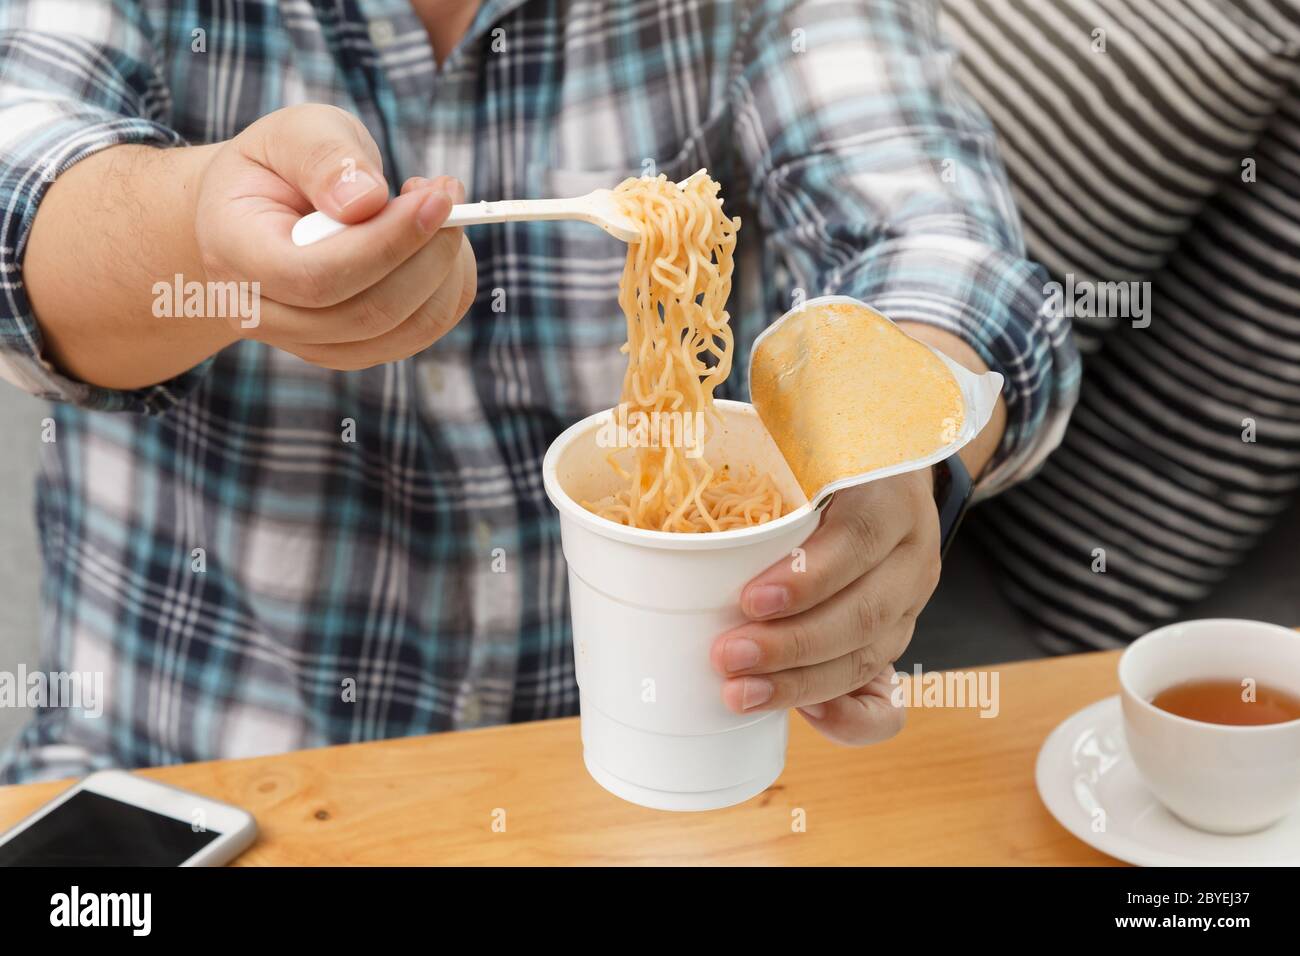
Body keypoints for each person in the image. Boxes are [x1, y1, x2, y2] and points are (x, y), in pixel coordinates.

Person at [0, 0, 1078, 782]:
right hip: (187, 776)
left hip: (645, 774)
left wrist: (895, 460)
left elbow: (934, 235)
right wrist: (199, 230)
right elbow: (19, 187)